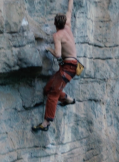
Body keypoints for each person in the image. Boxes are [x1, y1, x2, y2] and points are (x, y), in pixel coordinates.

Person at [32, 0, 78, 132]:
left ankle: (46, 123)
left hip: (68, 68)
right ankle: (67, 99)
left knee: (52, 94)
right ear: (64, 22)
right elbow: (69, 10)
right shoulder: (68, 25)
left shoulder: (57, 35)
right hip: (69, 66)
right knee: (47, 89)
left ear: (54, 24)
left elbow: (58, 54)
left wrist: (49, 49)